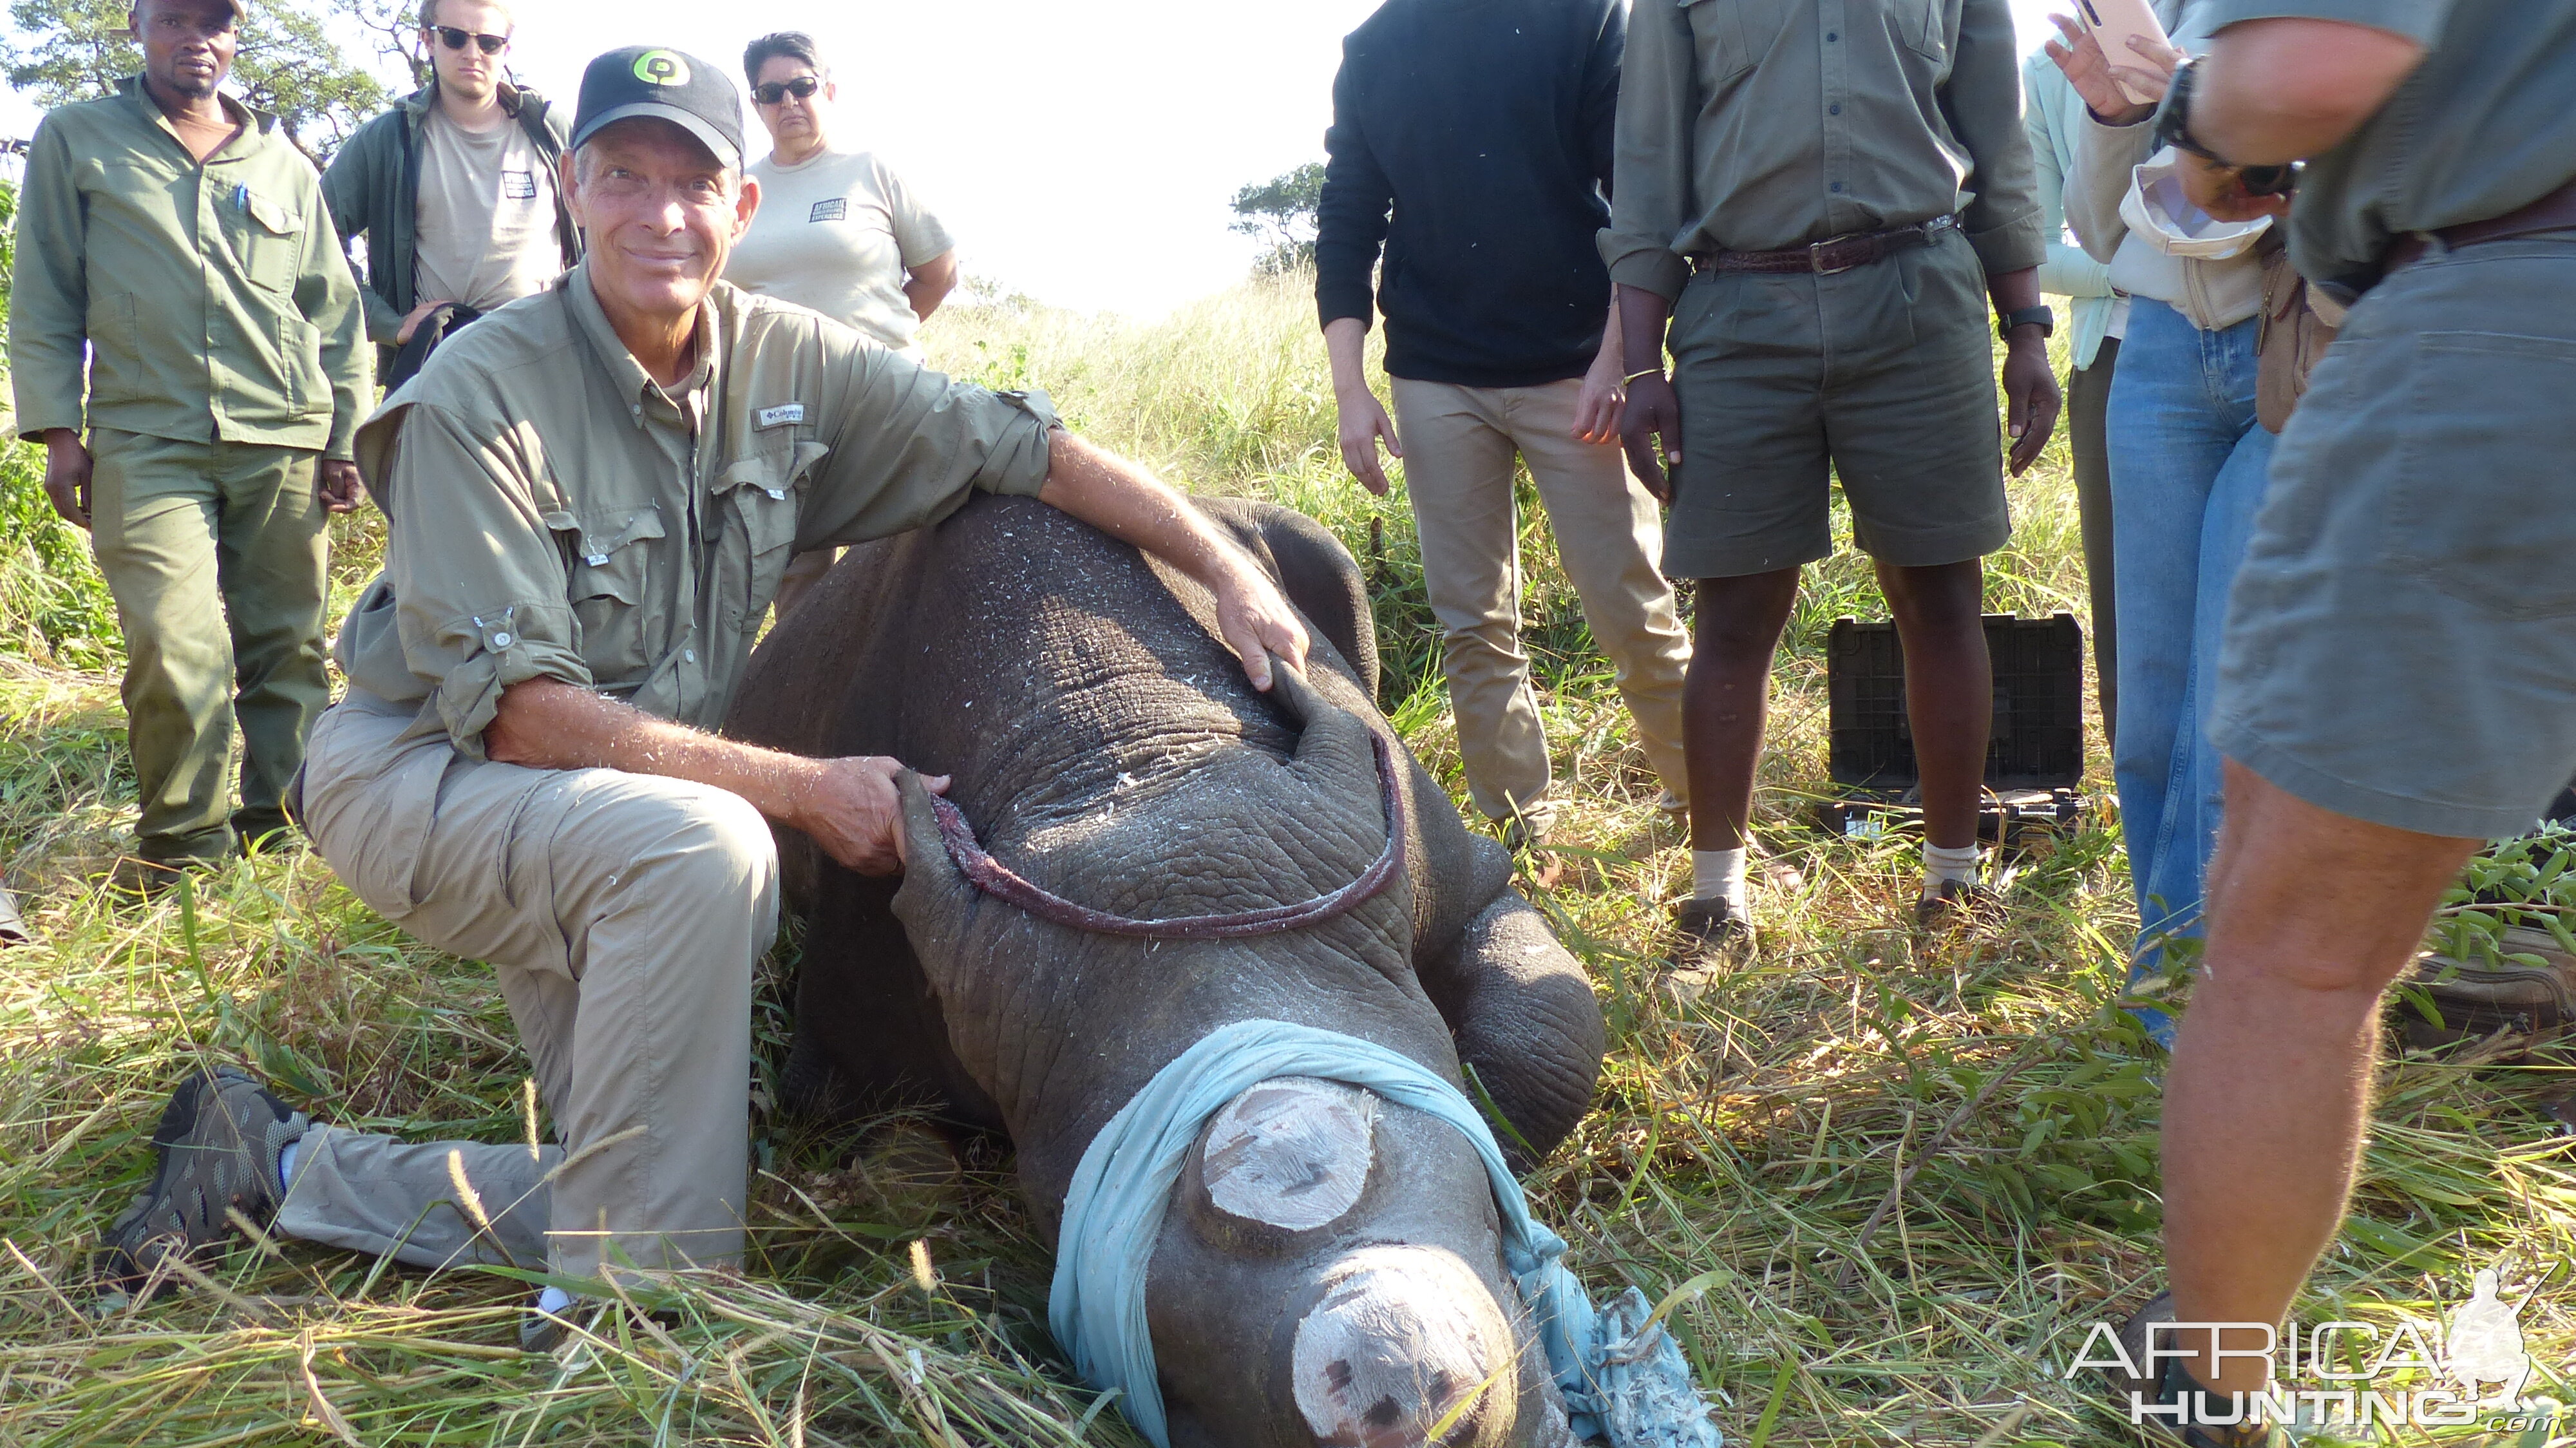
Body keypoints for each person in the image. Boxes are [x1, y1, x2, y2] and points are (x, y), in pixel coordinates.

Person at [94, 46, 1309, 1348]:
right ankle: (621, 1334)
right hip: (426, 774)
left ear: (740, 210)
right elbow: (515, 713)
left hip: (607, 809)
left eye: (691, 184)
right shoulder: (474, 393)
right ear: (572, 191)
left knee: (674, 1184)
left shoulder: (791, 362)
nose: (658, 214)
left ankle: (276, 1166)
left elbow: (1023, 446)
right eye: (625, 177)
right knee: (707, 845)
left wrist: (1226, 564)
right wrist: (801, 791)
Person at [2100, 4, 2576, 1442]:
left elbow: (2310, 68)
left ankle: (2212, 1381)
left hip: (2506, 322)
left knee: (2294, 953)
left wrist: (2188, 113)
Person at [1605, 0, 2061, 946]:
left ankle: (1952, 885)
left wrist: (2027, 328)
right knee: (1733, 610)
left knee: (1941, 593)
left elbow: (1999, 142)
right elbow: (1646, 165)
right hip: (1736, 309)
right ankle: (1716, 900)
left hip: (1920, 298)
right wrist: (1641, 363)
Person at [1313, 0, 1692, 859]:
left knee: (1628, 601)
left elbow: (1640, 192)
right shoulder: (1374, 46)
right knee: (1473, 621)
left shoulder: (1584, 19)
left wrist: (1619, 360)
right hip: (1435, 372)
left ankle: (1708, 817)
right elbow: (1347, 218)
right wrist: (1351, 389)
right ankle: (1523, 842)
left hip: (1575, 367)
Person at [8, 0, 370, 893]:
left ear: (235, 37)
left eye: (214, 23)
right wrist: (61, 432)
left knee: (286, 648)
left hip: (281, 437)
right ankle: (180, 855)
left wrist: (346, 438)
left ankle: (283, 835)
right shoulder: (79, 138)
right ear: (137, 28)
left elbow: (334, 311)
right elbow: (47, 290)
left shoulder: (284, 165)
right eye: (173, 20)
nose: (194, 40)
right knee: (176, 646)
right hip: (145, 436)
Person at [2049, 1, 2277, 1050]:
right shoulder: (2149, 22)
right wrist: (2115, 116)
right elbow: (2101, 233)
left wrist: (2211, 116)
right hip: (2157, 357)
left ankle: (2190, 1002)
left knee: (2221, 704)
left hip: (2295, 346)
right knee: (2146, 713)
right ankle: (2179, 967)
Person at [726, 30, 960, 620]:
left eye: (801, 87)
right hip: (780, 410)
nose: (789, 103)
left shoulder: (872, 171)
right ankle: (804, 707)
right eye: (771, 93)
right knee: (797, 581)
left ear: (828, 90)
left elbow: (937, 274)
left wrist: (874, 345)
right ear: (756, 105)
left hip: (883, 399)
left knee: (892, 566)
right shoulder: (737, 192)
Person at [321, 0, 578, 388]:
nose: (472, 54)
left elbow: (609, 229)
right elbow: (313, 234)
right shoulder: (389, 140)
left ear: (507, 49)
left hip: (548, 365)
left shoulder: (552, 132)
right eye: (455, 38)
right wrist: (389, 323)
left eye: (489, 42)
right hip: (437, 368)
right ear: (427, 40)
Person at [2022, 46, 2123, 751]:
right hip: (2114, 362)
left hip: (2270, 345)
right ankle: (2149, 844)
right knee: (2126, 619)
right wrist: (2145, 271)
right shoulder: (2047, 71)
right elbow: (2029, 251)